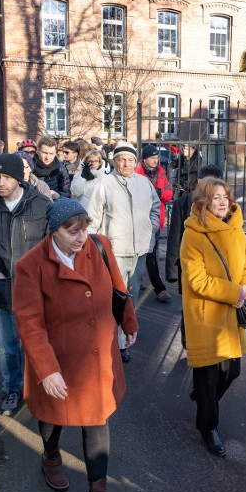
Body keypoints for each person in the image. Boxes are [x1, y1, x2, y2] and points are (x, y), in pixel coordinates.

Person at [13, 198, 138, 492]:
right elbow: (30, 324)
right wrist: (47, 369)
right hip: (59, 357)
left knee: (97, 420)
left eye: (84, 229)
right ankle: (51, 456)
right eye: (72, 232)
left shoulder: (99, 246)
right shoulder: (30, 266)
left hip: (98, 357)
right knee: (53, 416)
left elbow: (118, 287)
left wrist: (128, 320)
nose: (81, 238)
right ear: (54, 231)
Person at [0, 154, 51, 416]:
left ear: (19, 178)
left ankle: (40, 389)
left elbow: (52, 243)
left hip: (36, 291)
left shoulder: (41, 205)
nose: (0, 183)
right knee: (7, 347)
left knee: (37, 343)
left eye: (6, 177)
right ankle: (12, 388)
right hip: (3, 290)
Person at [180, 177, 246, 457]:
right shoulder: (193, 233)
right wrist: (235, 292)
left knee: (232, 371)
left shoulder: (236, 227)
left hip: (232, 311)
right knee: (209, 376)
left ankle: (202, 399)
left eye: (225, 197)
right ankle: (208, 426)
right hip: (206, 313)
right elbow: (197, 280)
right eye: (215, 198)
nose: (222, 202)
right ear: (203, 202)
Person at [86, 142, 159, 363]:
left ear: (135, 162)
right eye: (121, 159)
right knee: (115, 297)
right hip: (114, 251)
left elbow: (155, 207)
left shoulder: (144, 183)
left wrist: (151, 227)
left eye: (129, 159)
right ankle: (115, 342)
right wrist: (94, 247)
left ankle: (127, 334)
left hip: (139, 250)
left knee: (132, 295)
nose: (126, 163)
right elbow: (92, 219)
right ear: (114, 161)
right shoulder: (104, 185)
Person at [165, 164, 223, 348]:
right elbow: (174, 237)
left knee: (213, 305)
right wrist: (172, 272)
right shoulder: (183, 203)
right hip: (189, 265)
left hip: (215, 265)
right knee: (190, 307)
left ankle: (208, 341)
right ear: (198, 182)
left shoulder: (224, 204)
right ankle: (188, 340)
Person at [135, 144, 174, 303]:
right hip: (138, 218)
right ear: (144, 159)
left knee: (151, 252)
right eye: (152, 158)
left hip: (156, 219)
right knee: (144, 253)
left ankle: (145, 283)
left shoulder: (161, 172)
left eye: (157, 157)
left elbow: (169, 193)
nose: (155, 160)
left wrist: (158, 193)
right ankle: (158, 288)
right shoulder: (136, 173)